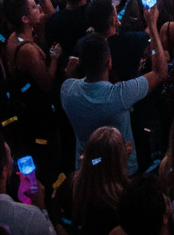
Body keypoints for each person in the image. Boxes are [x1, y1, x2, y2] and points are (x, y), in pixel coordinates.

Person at [61, 9, 168, 176]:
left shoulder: (67, 90)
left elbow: (71, 82)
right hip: (121, 169)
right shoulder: (119, 95)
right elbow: (160, 73)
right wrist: (152, 26)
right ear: (109, 62)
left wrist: (70, 73)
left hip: (86, 170)